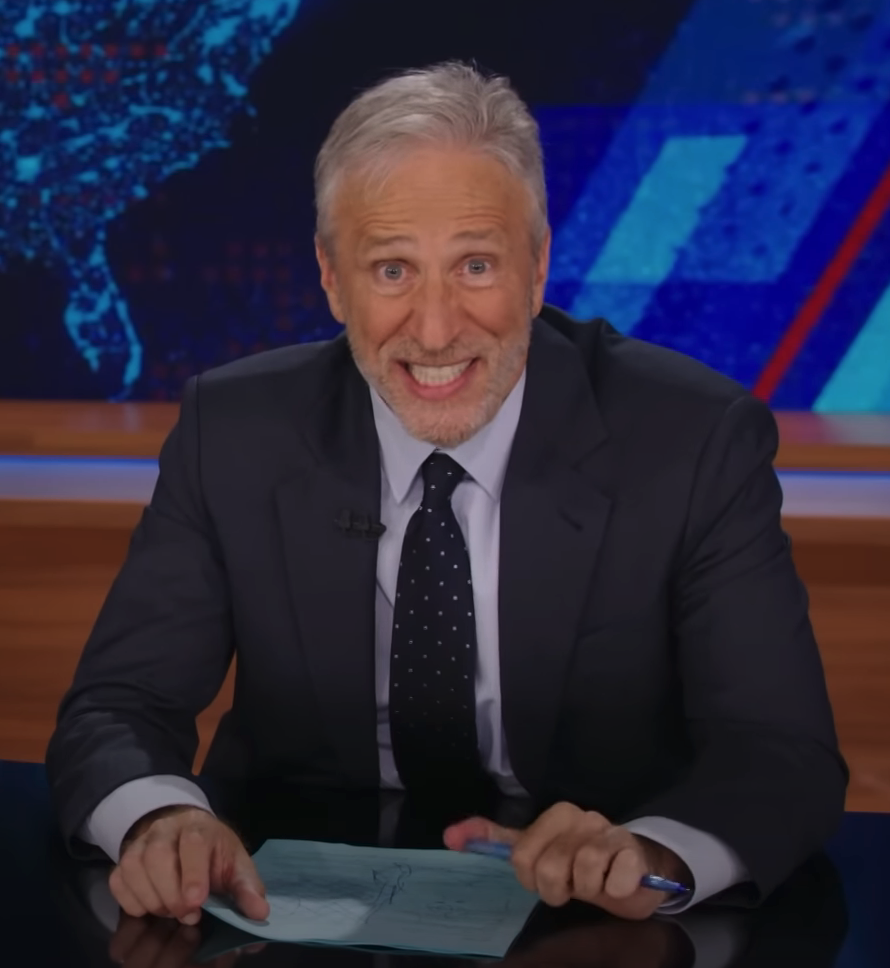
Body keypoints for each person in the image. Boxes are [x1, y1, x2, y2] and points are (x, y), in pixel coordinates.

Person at [46, 62, 847, 928]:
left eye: (475, 265)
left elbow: (779, 751)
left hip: (592, 918)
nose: (433, 329)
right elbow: (119, 706)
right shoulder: (231, 431)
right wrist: (162, 819)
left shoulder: (693, 439)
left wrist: (653, 852)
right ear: (330, 279)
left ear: (538, 270)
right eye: (392, 270)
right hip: (287, 905)